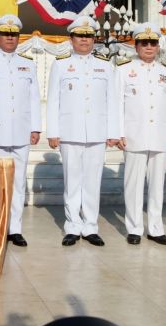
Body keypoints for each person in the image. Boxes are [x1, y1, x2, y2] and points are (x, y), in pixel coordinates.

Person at [46, 15, 119, 247]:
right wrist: (53, 131)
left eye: (88, 36)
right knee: (73, 180)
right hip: (70, 132)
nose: (85, 40)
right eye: (80, 36)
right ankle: (72, 226)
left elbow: (112, 101)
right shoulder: (60, 64)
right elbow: (53, 100)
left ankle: (90, 227)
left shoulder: (105, 65)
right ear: (72, 39)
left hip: (97, 132)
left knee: (92, 181)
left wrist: (112, 131)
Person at [0, 14, 42, 247]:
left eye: (14, 34)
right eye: (5, 34)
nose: (10, 38)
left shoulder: (28, 64)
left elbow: (34, 98)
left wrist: (36, 127)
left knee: (18, 182)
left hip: (21, 132)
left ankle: (14, 228)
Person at [115, 23, 166, 246]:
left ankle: (155, 228)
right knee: (132, 184)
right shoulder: (123, 70)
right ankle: (134, 228)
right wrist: (118, 132)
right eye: (144, 43)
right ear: (136, 45)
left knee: (157, 184)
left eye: (153, 43)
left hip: (160, 135)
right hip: (134, 135)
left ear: (158, 46)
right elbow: (117, 105)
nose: (149, 47)